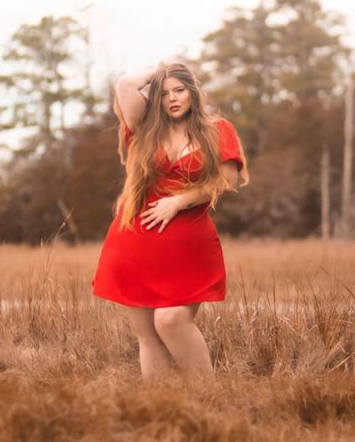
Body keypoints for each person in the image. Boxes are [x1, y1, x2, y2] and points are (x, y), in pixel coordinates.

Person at [90, 60, 249, 381]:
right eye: (163, 94)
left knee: (171, 320)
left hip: (187, 245)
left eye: (179, 90)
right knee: (147, 336)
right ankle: (162, 410)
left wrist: (179, 201)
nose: (173, 99)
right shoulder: (144, 129)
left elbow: (227, 180)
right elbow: (124, 84)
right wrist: (162, 69)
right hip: (134, 240)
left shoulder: (217, 129)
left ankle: (209, 400)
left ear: (193, 93)